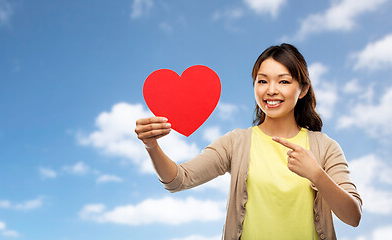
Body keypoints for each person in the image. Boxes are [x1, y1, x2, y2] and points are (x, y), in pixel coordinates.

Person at [134, 43, 362, 240]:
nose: (271, 90)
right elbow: (178, 180)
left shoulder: (325, 147)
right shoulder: (237, 142)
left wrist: (317, 174)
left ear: (302, 89)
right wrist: (151, 146)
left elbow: (353, 216)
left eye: (283, 82)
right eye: (262, 81)